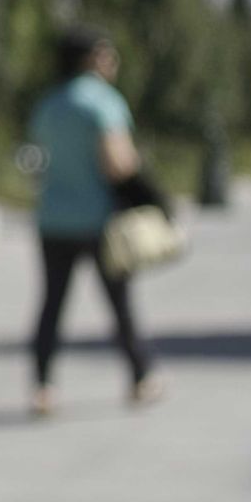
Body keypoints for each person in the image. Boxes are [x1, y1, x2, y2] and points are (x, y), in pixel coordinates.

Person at [26, 27, 159, 416]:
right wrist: (153, 198)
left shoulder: (48, 105)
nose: (113, 61)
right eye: (107, 54)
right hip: (99, 220)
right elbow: (119, 163)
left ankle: (43, 386)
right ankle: (140, 377)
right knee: (120, 304)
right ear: (91, 59)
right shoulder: (102, 103)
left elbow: (37, 160)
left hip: (53, 218)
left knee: (51, 304)